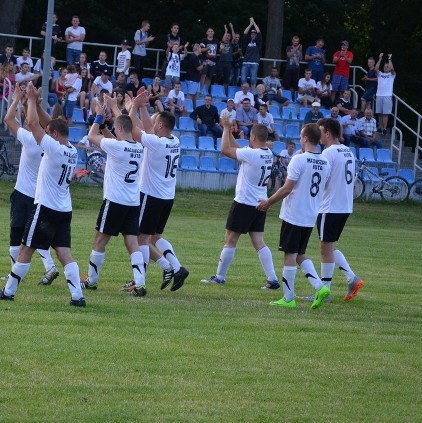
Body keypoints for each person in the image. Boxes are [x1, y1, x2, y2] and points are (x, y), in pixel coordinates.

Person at [0, 83, 85, 307]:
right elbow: (46, 124)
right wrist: (37, 105)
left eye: (49, 133)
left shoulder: (54, 148)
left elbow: (31, 123)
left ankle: (8, 292)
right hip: (64, 209)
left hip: (46, 208)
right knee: (65, 254)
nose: (45, 134)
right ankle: (78, 296)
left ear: (55, 135)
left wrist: (30, 99)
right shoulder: (72, 151)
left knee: (25, 249)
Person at [257, 123, 331, 309]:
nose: (299, 139)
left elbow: (287, 188)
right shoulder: (325, 162)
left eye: (300, 136)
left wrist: (268, 202)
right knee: (300, 254)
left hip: (295, 213)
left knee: (289, 254)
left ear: (305, 138)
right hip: (310, 214)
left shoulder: (299, 160)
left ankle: (289, 298)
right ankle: (319, 287)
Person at [202, 120, 280, 289]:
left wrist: (224, 128)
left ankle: (220, 277)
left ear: (252, 137)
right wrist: (229, 131)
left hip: (244, 202)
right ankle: (272, 279)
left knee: (230, 239)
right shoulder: (267, 153)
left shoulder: (252, 154)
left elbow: (225, 150)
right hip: (260, 202)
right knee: (259, 241)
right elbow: (240, 151)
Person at [82, 95, 146, 296]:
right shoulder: (138, 146)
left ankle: (92, 281)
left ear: (118, 130)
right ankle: (140, 282)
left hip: (114, 200)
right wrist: (113, 111)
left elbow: (92, 137)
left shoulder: (117, 146)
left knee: (100, 240)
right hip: (132, 202)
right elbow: (120, 135)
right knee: (132, 242)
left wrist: (99, 117)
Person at [126, 91, 190, 291]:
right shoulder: (174, 140)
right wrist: (144, 107)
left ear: (161, 126)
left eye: (155, 122)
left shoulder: (157, 143)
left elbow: (132, 129)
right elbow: (147, 128)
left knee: (140, 239)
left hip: (151, 195)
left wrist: (134, 106)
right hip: (167, 197)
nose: (152, 124)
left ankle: (140, 281)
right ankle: (177, 268)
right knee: (154, 237)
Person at [4, 85, 60, 286]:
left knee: (16, 236)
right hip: (41, 196)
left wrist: (17, 99)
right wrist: (32, 102)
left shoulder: (30, 140)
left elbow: (9, 120)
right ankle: (50, 267)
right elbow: (36, 122)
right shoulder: (52, 144)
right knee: (36, 236)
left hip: (23, 194)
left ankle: (14, 274)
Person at [315, 118, 364, 303]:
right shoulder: (348, 151)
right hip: (345, 205)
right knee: (330, 246)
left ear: (327, 133)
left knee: (325, 247)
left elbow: (323, 181)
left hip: (330, 205)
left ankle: (325, 291)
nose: (319, 136)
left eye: (321, 132)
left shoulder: (329, 153)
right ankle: (351, 278)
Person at [375, 53, 396, 135]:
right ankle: (380, 127)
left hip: (387, 95)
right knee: (379, 113)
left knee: (385, 113)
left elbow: (392, 69)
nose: (386, 68)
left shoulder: (391, 75)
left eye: (387, 66)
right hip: (379, 94)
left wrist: (390, 59)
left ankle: (384, 128)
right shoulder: (380, 74)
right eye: (385, 66)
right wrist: (380, 58)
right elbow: (376, 68)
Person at [240, 17, 262, 90]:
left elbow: (259, 32)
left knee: (253, 80)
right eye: (252, 34)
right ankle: (243, 93)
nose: (253, 35)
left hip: (254, 63)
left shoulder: (258, 42)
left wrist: (254, 22)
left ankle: (252, 94)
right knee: (243, 79)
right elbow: (245, 32)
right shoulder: (247, 41)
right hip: (245, 62)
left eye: (254, 34)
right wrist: (250, 24)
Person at [200, 27, 218, 95]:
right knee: (203, 75)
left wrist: (221, 49)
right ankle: (201, 89)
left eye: (211, 31)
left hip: (213, 62)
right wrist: (207, 48)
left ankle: (206, 90)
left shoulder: (216, 41)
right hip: (205, 60)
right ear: (207, 33)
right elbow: (201, 50)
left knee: (209, 77)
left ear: (213, 33)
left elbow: (219, 51)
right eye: (209, 31)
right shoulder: (204, 40)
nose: (210, 32)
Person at [283, 35, 303, 100]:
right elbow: (289, 55)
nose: (295, 42)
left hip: (296, 69)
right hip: (289, 68)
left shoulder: (299, 49)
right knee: (287, 84)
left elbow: (300, 58)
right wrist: (296, 48)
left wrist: (300, 50)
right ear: (292, 41)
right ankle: (286, 98)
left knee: (295, 85)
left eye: (297, 41)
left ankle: (293, 98)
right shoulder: (288, 47)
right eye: (294, 41)